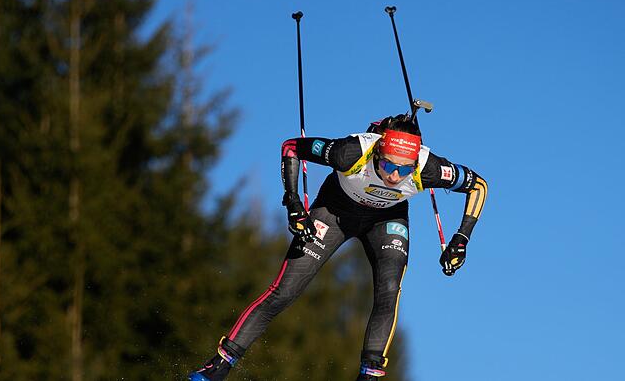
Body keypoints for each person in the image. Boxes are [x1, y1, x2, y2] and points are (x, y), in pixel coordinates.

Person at [187, 114, 488, 380]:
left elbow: (479, 185)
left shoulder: (429, 168)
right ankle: (220, 364)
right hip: (335, 212)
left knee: (388, 292)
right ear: (378, 153)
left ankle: (369, 376)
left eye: (404, 170)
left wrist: (461, 238)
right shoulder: (350, 152)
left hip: (386, 220)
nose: (395, 176)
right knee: (285, 291)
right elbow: (292, 147)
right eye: (386, 165)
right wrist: (293, 202)